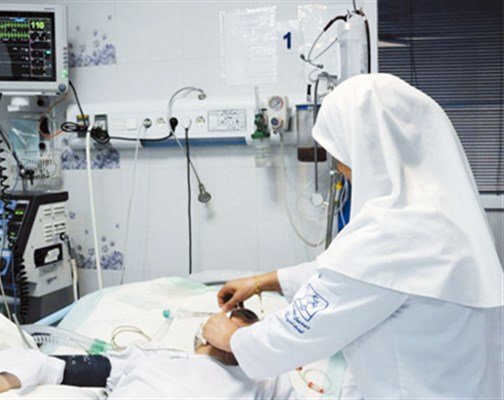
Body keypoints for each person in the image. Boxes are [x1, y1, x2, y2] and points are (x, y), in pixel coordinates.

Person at [202, 73, 504, 398]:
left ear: (361, 145)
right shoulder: (443, 214)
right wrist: (263, 281)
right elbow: (361, 276)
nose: (338, 167)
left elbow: (296, 333)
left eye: (336, 151)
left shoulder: (393, 231)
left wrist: (229, 337)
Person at [0, 309, 296, 399]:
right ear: (202, 332)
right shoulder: (152, 356)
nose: (232, 329)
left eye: (245, 329)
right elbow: (59, 367)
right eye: (230, 320)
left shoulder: (263, 377)